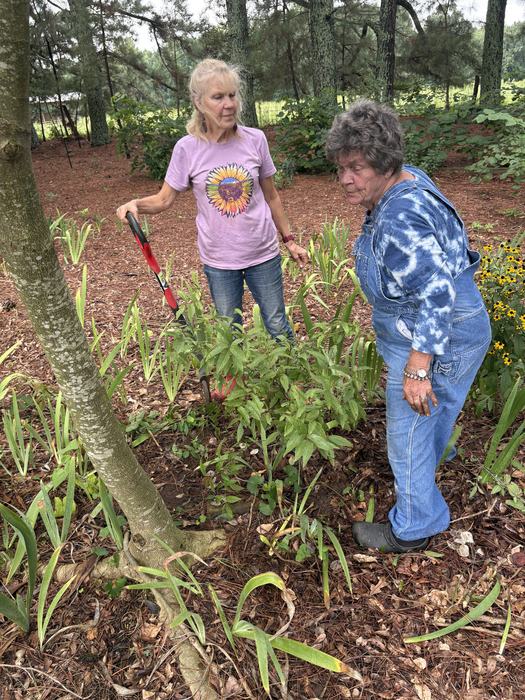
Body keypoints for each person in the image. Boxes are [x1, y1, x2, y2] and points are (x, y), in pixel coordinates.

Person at [325, 100, 491, 553]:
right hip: (462, 323)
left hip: (437, 331)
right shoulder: (408, 179)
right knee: (432, 413)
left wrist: (418, 369)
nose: (345, 179)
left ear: (383, 163)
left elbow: (437, 293)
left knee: (409, 426)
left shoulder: (400, 215)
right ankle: (432, 458)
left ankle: (416, 525)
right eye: (341, 167)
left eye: (355, 168)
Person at [117, 58, 307, 340]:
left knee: (278, 325)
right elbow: (164, 199)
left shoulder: (255, 140)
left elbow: (272, 196)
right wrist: (136, 205)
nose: (228, 104)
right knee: (229, 334)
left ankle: (290, 380)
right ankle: (234, 384)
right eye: (218, 97)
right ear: (199, 102)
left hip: (263, 253)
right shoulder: (187, 148)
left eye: (232, 95)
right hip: (219, 259)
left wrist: (289, 240)